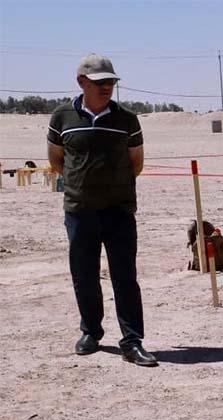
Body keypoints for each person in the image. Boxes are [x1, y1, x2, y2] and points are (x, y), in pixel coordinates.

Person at [47, 54, 157, 366]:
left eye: (110, 81)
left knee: (125, 277)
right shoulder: (62, 117)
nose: (107, 87)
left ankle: (132, 341)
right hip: (79, 211)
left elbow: (136, 163)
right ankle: (91, 332)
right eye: (100, 82)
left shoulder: (126, 119)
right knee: (84, 275)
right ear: (81, 81)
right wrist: (81, 184)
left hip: (118, 211)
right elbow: (56, 160)